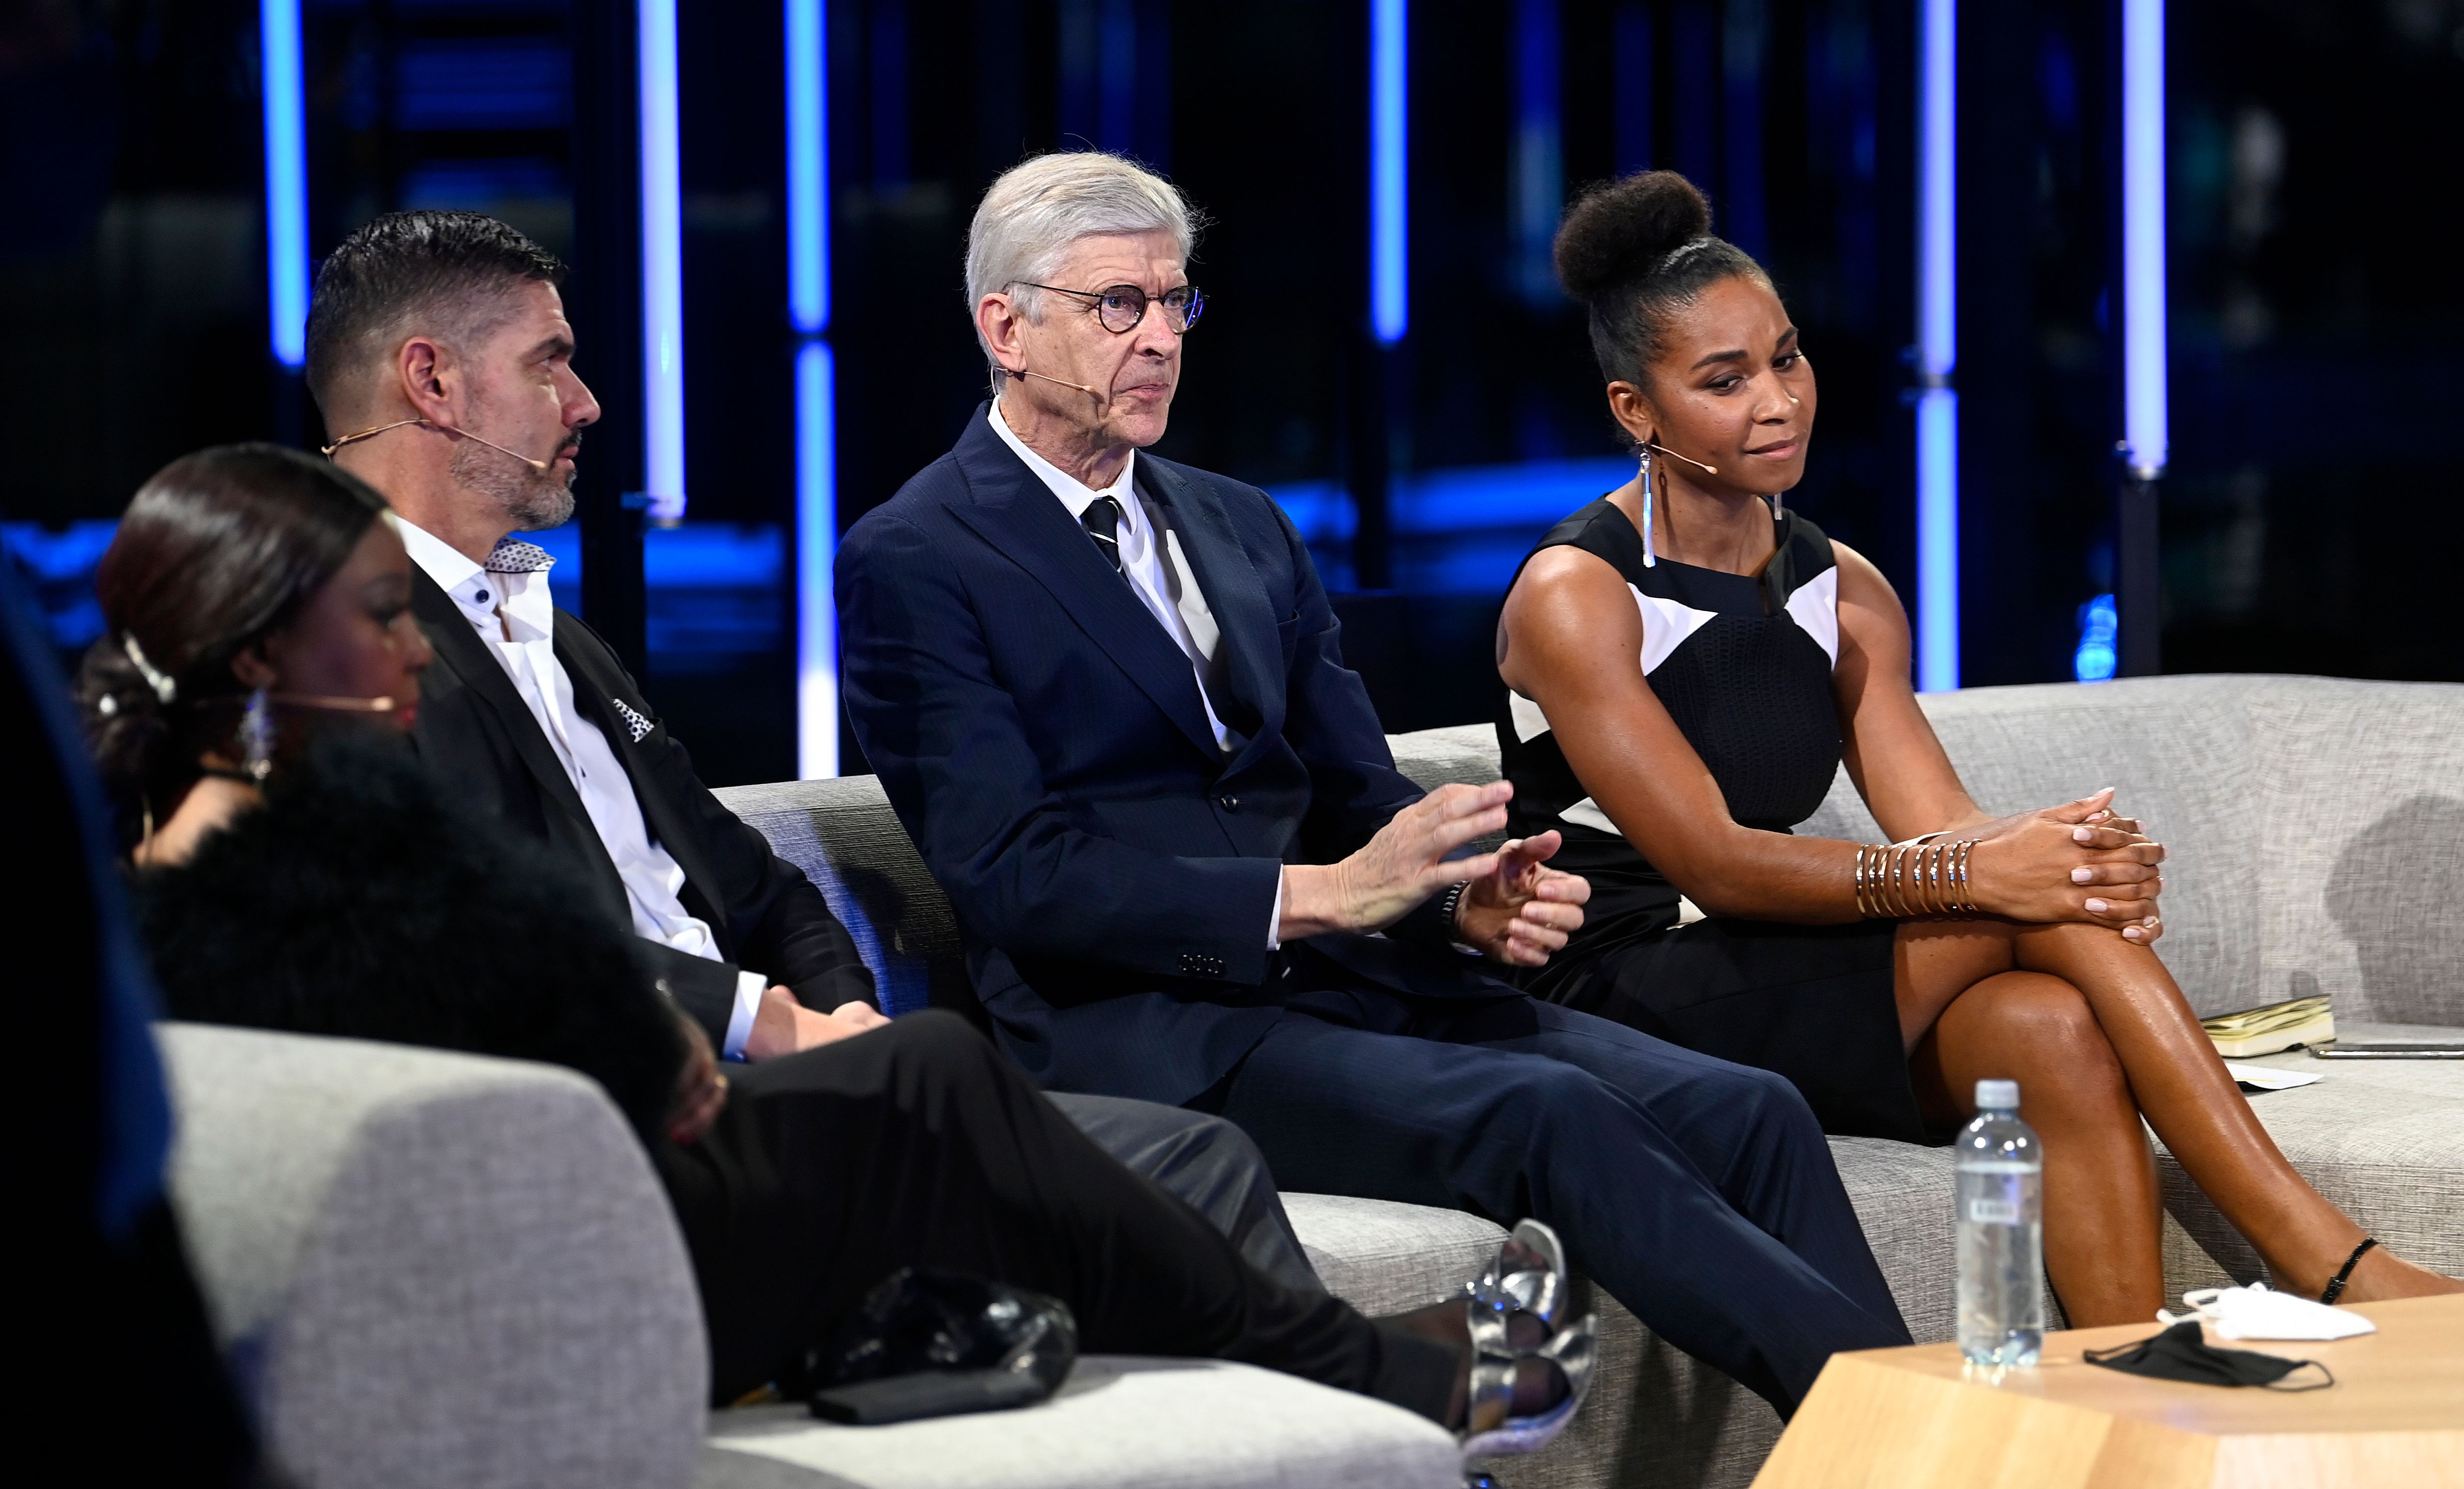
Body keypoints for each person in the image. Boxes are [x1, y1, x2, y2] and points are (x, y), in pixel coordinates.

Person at [81, 442, 1583, 1452]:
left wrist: (711, 1028)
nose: (418, 649)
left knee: (951, 1099)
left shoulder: (226, 832)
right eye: (384, 617)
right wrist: (678, 1038)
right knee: (934, 1081)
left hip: (595, 1190)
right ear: (268, 648)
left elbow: (563, 979)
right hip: (575, 1246)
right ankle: (1387, 1378)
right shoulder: (284, 864)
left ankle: (1347, 1397)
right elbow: (541, 1018)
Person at [838, 150, 1912, 1417]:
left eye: (1174, 301)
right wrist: (1313, 897)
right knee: (1551, 1114)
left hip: (1364, 980)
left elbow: (1354, 788)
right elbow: (1013, 875)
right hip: (1157, 1032)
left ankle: (1907, 1432)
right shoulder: (916, 557)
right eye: (1114, 305)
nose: (1158, 338)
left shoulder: (1239, 523)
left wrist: (1455, 891)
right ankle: (1928, 1442)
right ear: (1003, 328)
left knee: (1749, 1106)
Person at [1493, 169, 2462, 1323]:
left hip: (1765, 966)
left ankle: (2125, 1391)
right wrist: (1996, 874)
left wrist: (2068, 848)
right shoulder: (1576, 592)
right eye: (1723, 379)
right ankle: (2323, 1254)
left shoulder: (1841, 586)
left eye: (1787, 357)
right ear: (1634, 411)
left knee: (2049, 1025)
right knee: (2023, 903)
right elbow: (1713, 862)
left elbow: (1933, 817)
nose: (1779, 401)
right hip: (1614, 991)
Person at [301, 209, 1319, 1293]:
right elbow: (485, 938)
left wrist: (843, 1016)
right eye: (549, 362)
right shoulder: (347, 656)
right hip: (630, 1110)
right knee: (1183, 1158)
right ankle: (1411, 1404)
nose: (588, 401)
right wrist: (762, 1019)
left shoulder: (556, 631)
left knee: (1176, 1161)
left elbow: (760, 883)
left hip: (775, 1080)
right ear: (431, 381)